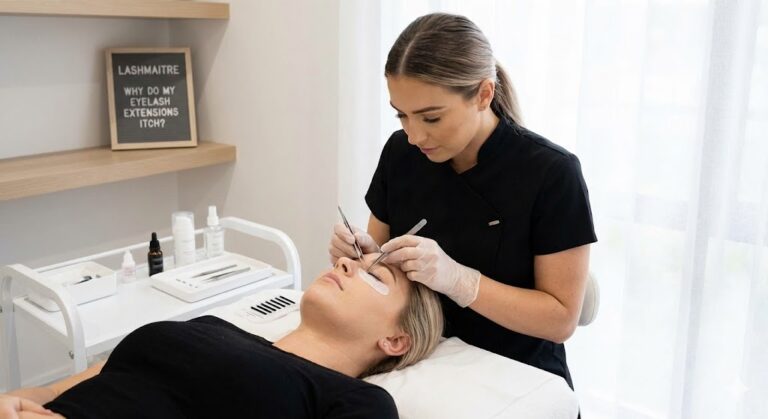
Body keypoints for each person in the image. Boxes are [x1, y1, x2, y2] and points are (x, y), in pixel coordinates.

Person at [329, 12, 597, 389]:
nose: (414, 135)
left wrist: (461, 281)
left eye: (431, 118)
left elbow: (560, 320)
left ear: (484, 94)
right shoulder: (401, 154)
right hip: (421, 358)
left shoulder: (552, 173)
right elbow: (382, 262)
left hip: (516, 372)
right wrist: (364, 255)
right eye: (402, 115)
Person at [0, 254, 443, 419]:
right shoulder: (218, 327)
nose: (347, 264)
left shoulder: (357, 402)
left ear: (396, 340)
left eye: (375, 275)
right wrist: (22, 397)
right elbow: (93, 376)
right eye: (354, 260)